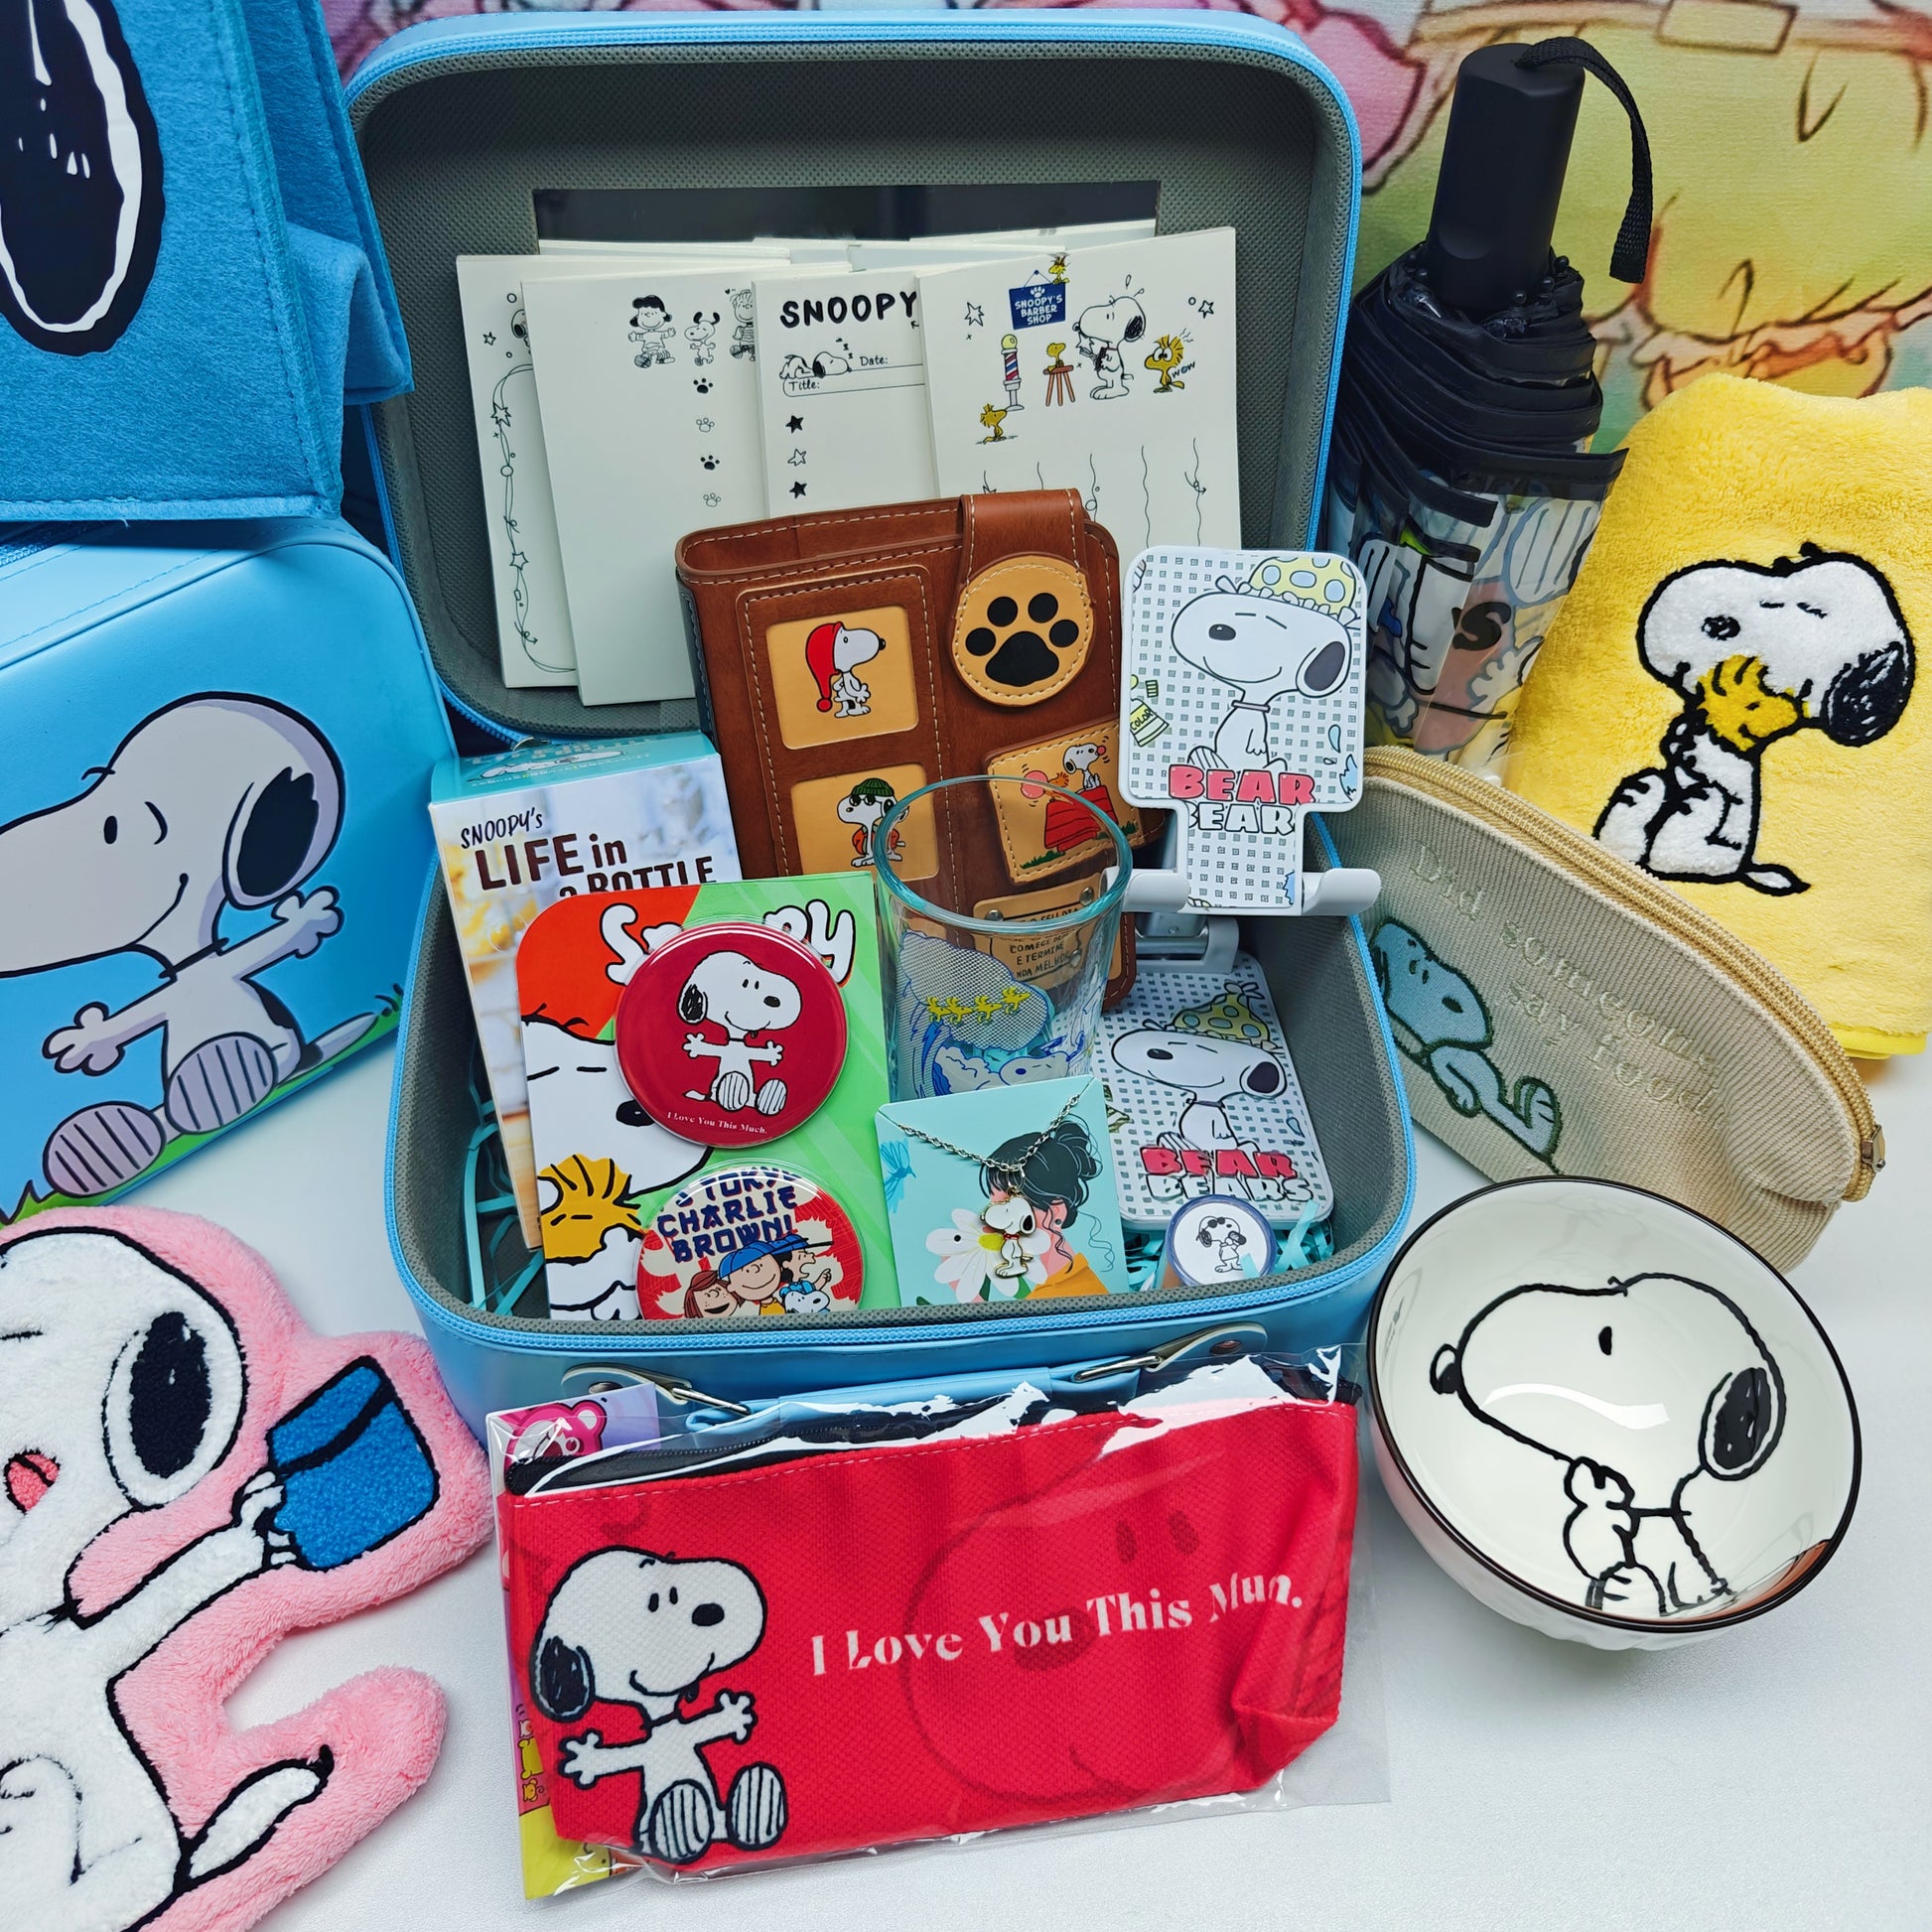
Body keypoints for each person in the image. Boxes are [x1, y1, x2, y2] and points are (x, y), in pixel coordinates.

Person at [978, 1117, 1107, 1299]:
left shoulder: (1064, 1293)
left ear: (1056, 1212)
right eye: (993, 1205)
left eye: (1009, 1205)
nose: (991, 1223)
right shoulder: (1065, 1278)